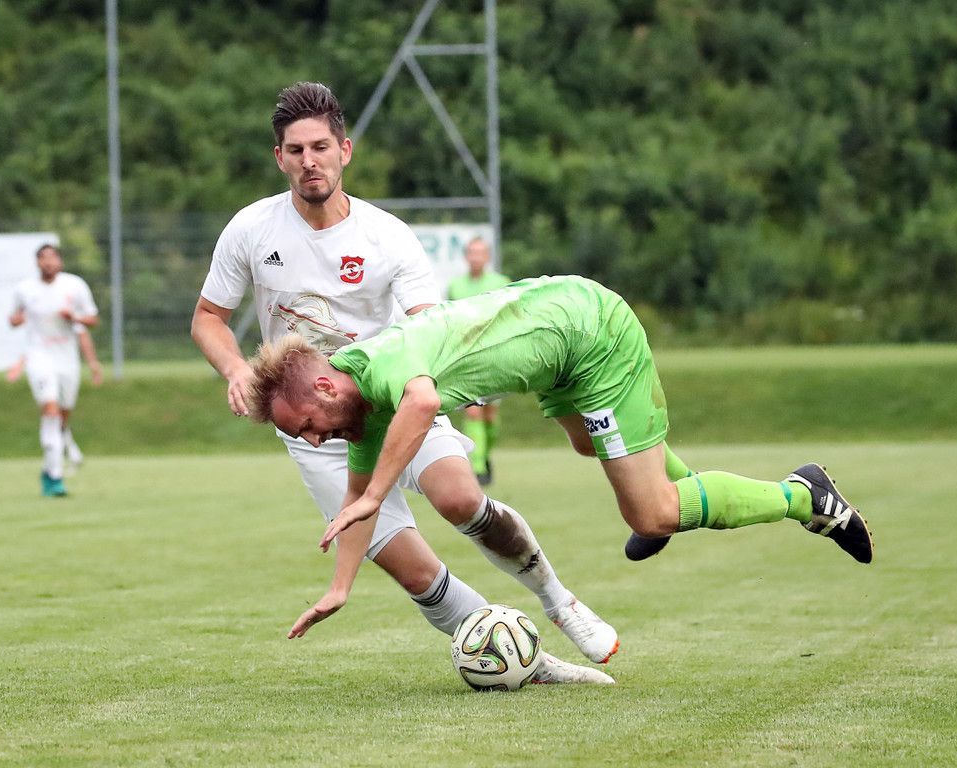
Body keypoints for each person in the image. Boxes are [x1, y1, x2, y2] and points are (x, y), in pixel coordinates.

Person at [191, 82, 617, 683]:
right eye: (296, 150)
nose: (309, 161)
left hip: (396, 400)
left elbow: (429, 329)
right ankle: (530, 663)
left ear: (344, 150)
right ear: (279, 157)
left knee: (460, 498)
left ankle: (558, 600)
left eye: (320, 147)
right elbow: (207, 318)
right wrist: (237, 368)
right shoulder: (251, 230)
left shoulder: (386, 236)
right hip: (313, 426)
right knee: (414, 571)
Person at [242, 275, 874, 631]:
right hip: (557, 346)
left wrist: (380, 491)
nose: (315, 441)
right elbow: (357, 501)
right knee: (587, 444)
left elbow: (424, 403)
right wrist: (340, 587)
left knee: (651, 512)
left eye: (310, 427)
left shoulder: (387, 367)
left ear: (324, 387)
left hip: (591, 337)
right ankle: (668, 483)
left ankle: (806, 497)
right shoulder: (360, 402)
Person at [9, 244, 100, 496]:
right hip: (39, 357)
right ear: (37, 262)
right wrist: (17, 320)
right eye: (43, 258)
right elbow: (13, 318)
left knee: (62, 417)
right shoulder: (25, 289)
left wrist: (75, 318)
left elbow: (91, 320)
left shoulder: (75, 286)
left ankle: (48, 467)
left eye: (53, 257)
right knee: (50, 410)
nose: (48, 262)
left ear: (60, 261)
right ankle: (54, 476)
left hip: (67, 359)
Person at [446, 237, 511, 484]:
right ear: (466, 256)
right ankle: (478, 466)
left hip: (494, 356)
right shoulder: (456, 286)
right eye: (472, 252)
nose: (476, 257)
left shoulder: (501, 283)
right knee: (473, 412)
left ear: (488, 257)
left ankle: (485, 454)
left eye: (480, 252)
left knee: (490, 416)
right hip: (466, 357)